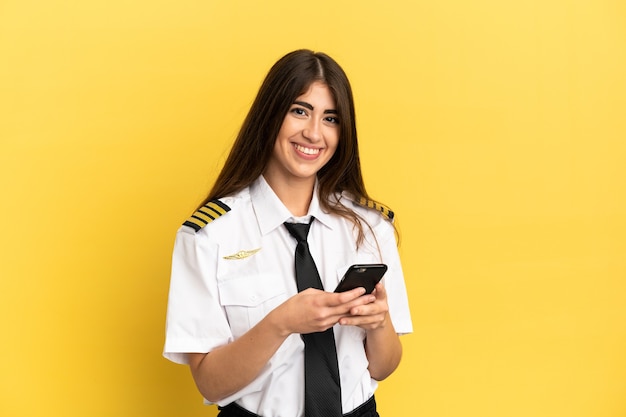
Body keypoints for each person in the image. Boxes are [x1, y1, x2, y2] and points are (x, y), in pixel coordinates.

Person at [163, 49, 412, 417]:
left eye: (330, 118)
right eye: (299, 111)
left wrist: (379, 324)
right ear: (270, 115)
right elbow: (210, 384)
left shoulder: (371, 227)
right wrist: (281, 323)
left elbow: (383, 367)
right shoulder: (208, 235)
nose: (314, 133)